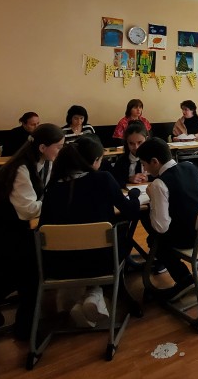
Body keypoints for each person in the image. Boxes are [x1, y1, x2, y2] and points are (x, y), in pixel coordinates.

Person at [0, 123, 64, 337]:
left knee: (36, 261)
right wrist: (56, 203)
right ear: (42, 147)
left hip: (10, 230)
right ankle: (23, 327)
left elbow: (42, 195)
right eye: (58, 146)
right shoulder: (20, 169)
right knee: (33, 268)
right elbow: (28, 210)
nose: (61, 150)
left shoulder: (42, 163)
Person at [39, 135, 144, 327]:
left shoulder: (52, 187)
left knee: (87, 247)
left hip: (59, 265)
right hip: (103, 262)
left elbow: (42, 228)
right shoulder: (102, 179)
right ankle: (95, 294)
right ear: (95, 161)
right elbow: (131, 211)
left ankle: (90, 295)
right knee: (116, 235)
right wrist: (135, 196)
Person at [136, 137, 198, 301]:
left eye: (144, 164)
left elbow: (161, 227)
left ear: (154, 162)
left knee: (154, 239)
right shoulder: (190, 166)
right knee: (186, 220)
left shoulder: (159, 184)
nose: (144, 169)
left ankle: (184, 278)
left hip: (189, 237)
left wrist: (153, 199)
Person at [110, 123, 149, 187]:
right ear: (127, 143)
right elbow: (115, 182)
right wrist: (129, 179)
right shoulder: (121, 161)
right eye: (131, 143)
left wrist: (148, 178)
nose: (136, 147)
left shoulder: (153, 159)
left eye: (139, 142)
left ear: (146, 139)